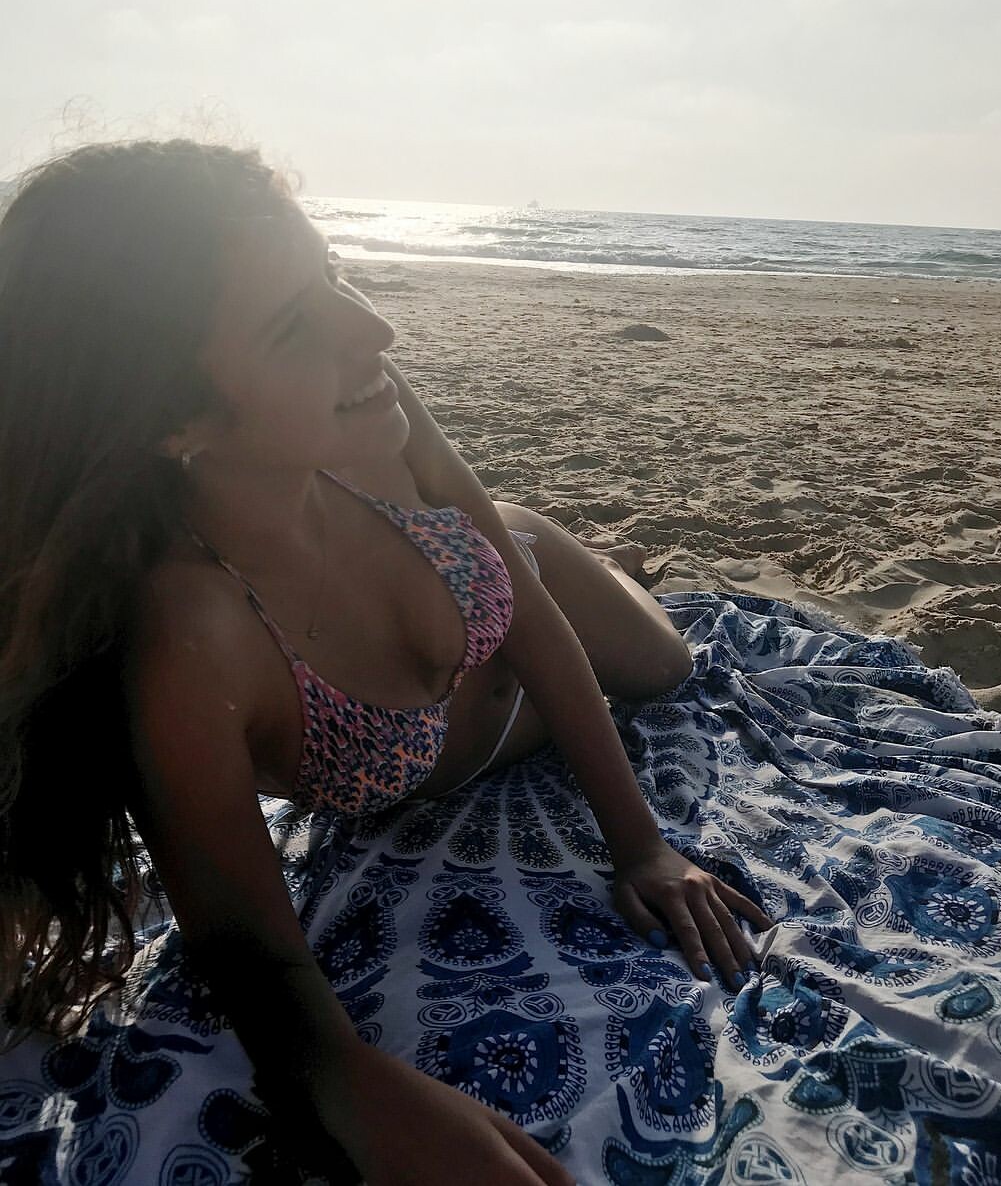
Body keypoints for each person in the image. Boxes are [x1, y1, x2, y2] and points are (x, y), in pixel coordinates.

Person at [0, 139, 773, 1184]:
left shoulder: (365, 408)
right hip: (486, 655)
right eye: (294, 324)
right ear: (170, 419)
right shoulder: (191, 640)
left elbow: (527, 607)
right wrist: (343, 1074)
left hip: (525, 577)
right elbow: (244, 944)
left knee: (668, 665)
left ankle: (619, 564)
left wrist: (642, 846)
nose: (375, 329)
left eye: (334, 274)